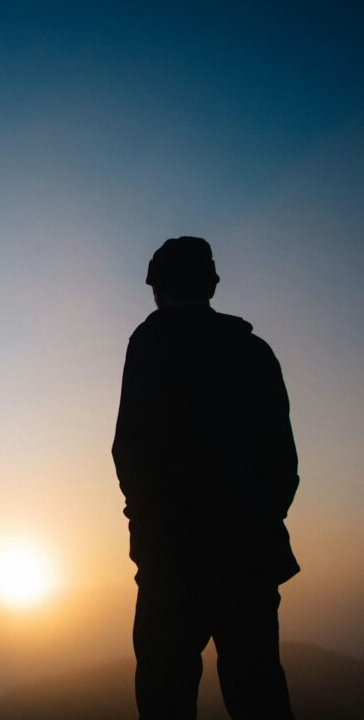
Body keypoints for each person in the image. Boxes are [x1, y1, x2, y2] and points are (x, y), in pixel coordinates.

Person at [112, 237, 299, 719]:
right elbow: (283, 460)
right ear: (212, 284)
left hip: (172, 561)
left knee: (165, 693)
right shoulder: (253, 351)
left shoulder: (151, 344)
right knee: (258, 689)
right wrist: (257, 521)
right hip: (249, 556)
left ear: (157, 289)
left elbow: (129, 449)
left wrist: (150, 526)